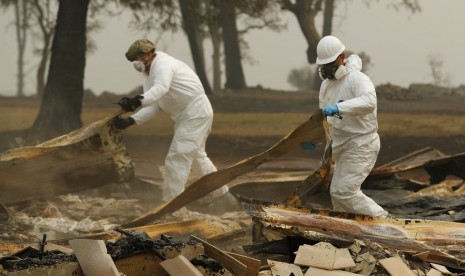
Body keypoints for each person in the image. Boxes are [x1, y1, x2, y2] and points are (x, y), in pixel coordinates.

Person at [114, 39, 238, 212]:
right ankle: (224, 198)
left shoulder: (163, 64)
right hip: (187, 116)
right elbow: (152, 106)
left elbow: (161, 89)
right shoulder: (149, 77)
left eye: (140, 55)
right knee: (197, 158)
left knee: (178, 157)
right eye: (135, 57)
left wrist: (137, 101)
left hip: (195, 111)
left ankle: (171, 205)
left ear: (150, 53)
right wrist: (130, 121)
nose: (137, 60)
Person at [316, 35, 389, 217]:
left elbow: (369, 101)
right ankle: (347, 230)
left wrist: (339, 108)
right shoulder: (326, 86)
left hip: (361, 143)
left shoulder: (357, 79)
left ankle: (384, 222)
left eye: (330, 64)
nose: (327, 69)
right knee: (337, 195)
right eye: (324, 65)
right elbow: (324, 119)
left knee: (344, 192)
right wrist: (315, 139)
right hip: (340, 144)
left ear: (342, 57)